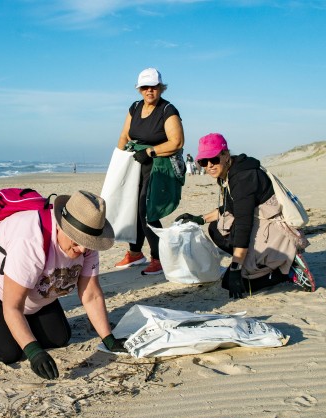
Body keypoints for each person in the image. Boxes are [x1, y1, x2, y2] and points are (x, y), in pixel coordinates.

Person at [0, 190, 128, 380]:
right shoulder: (30, 242)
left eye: (89, 242)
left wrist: (108, 339)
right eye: (77, 241)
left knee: (58, 338)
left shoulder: (86, 242)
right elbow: (12, 307)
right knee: (7, 352)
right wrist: (34, 352)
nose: (83, 249)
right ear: (62, 226)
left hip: (33, 290)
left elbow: (91, 294)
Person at [175, 133, 315, 297]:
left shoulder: (242, 178)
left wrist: (235, 267)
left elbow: (243, 224)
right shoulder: (231, 171)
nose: (210, 165)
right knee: (215, 228)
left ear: (225, 154)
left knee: (232, 284)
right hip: (260, 224)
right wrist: (200, 219)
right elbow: (231, 207)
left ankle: (288, 271)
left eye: (214, 159)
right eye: (203, 161)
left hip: (275, 231)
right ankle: (262, 262)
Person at [113, 68, 185, 275]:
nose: (149, 91)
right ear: (139, 89)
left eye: (153, 87)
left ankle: (159, 257)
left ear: (161, 88)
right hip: (136, 161)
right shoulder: (135, 107)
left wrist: (151, 152)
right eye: (145, 87)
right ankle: (135, 253)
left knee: (147, 208)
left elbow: (177, 142)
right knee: (132, 207)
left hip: (159, 165)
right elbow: (124, 136)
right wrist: (118, 161)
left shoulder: (167, 110)